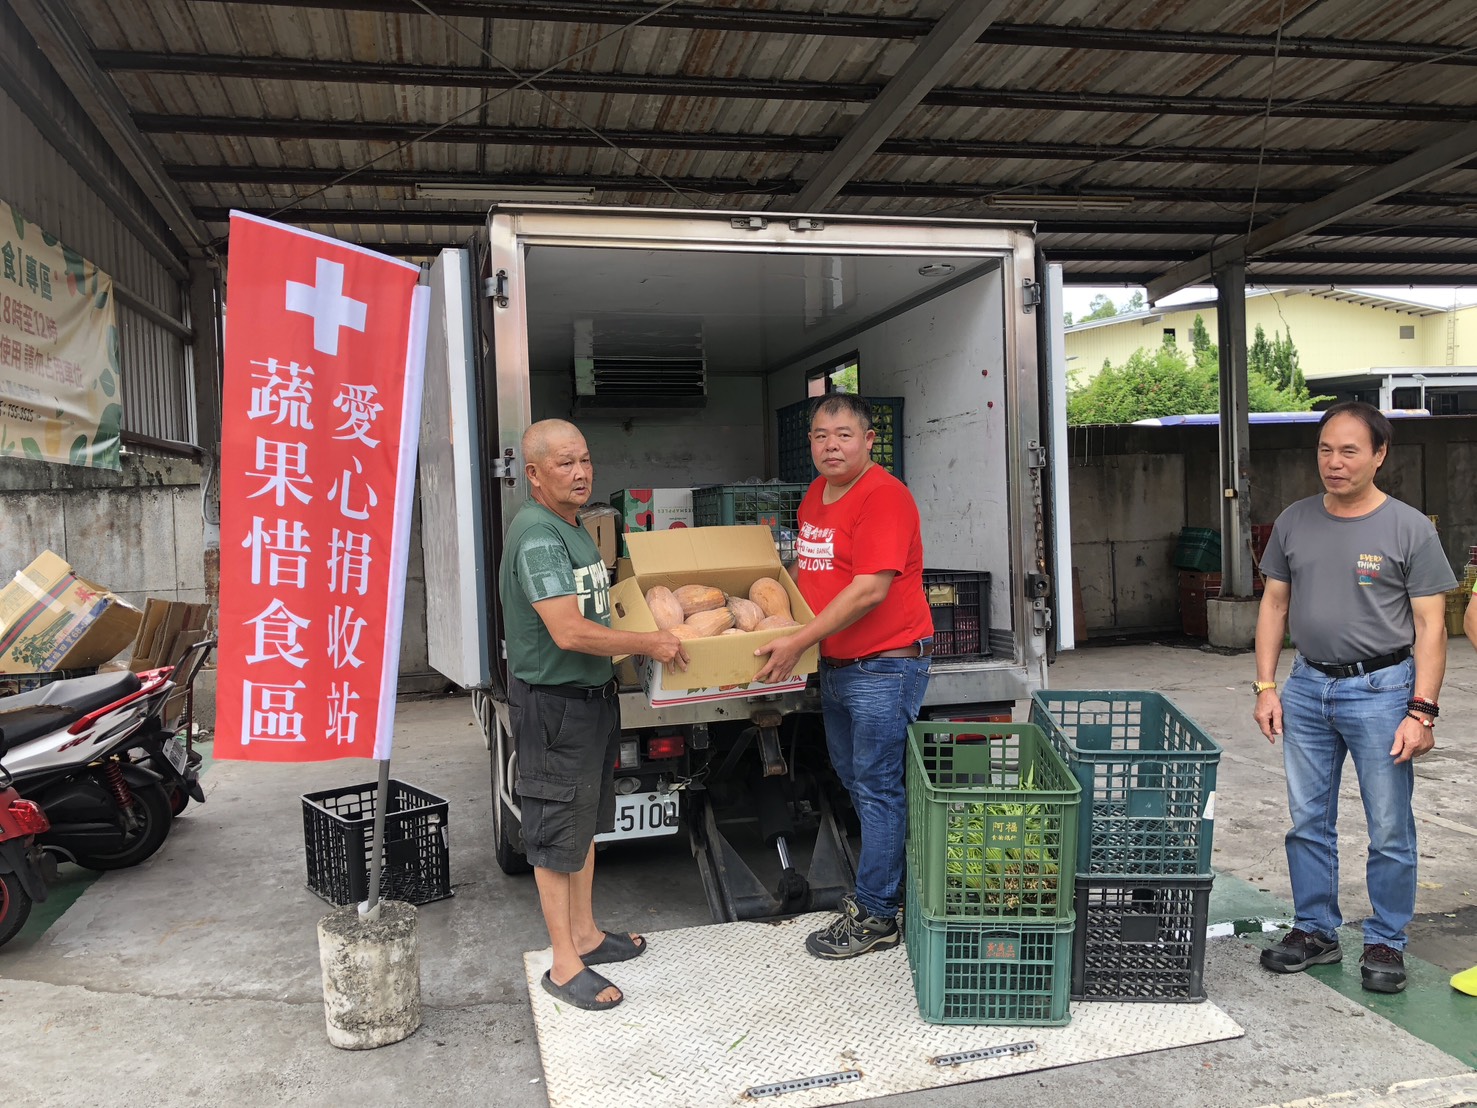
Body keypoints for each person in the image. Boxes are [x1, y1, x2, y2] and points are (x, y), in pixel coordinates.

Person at [1253, 401, 1455, 994]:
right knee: (1307, 820)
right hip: (1307, 687)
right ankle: (1315, 930)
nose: (1334, 463)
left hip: (1382, 690)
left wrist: (1422, 711)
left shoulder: (1409, 528)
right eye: (1325, 450)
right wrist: (1266, 686)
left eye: (1349, 451)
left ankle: (1386, 938)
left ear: (1379, 455)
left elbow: (1432, 626)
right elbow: (1274, 605)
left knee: (1389, 824)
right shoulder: (1294, 520)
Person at [498, 418, 689, 1011]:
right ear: (535, 474)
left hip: (588, 700)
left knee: (581, 826)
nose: (581, 473)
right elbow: (568, 631)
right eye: (565, 464)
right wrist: (649, 642)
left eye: (584, 459)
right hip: (554, 705)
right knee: (557, 833)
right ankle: (563, 964)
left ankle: (585, 935)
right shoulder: (539, 536)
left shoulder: (572, 525)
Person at [755, 393, 934, 959]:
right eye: (820, 436)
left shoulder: (883, 496)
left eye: (843, 435)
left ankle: (877, 915)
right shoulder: (816, 493)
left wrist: (797, 641)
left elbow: (868, 590)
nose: (830, 446)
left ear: (868, 440)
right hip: (837, 665)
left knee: (877, 789)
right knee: (857, 782)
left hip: (885, 664)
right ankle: (895, 889)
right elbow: (807, 568)